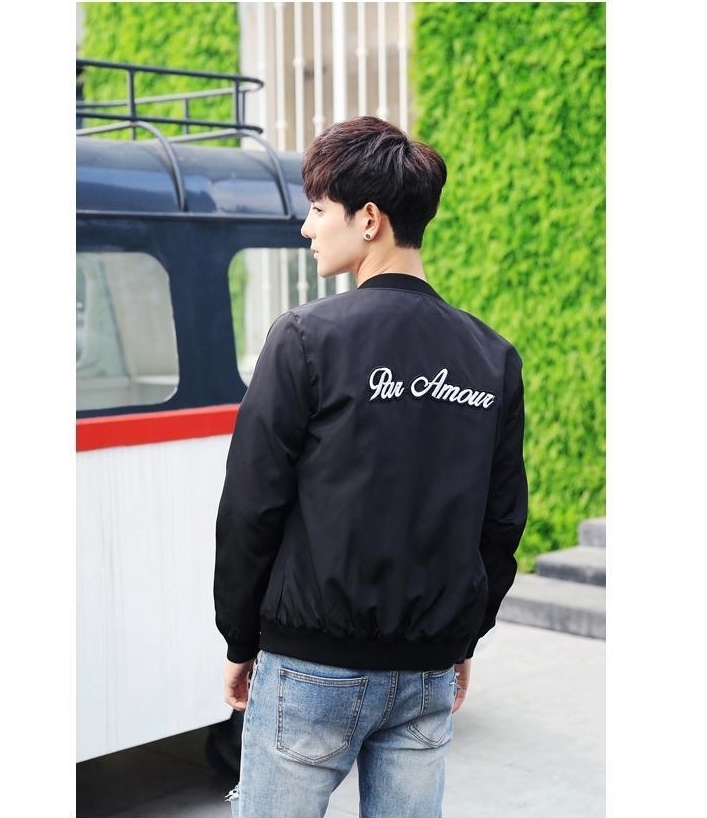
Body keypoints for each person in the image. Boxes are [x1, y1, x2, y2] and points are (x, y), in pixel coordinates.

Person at [214, 116, 528, 818]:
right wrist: (462, 638)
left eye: (318, 209)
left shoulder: (305, 338)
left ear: (369, 219)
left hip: (310, 668)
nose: (307, 228)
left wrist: (239, 639)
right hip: (426, 672)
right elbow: (502, 522)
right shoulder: (491, 358)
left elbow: (251, 506)